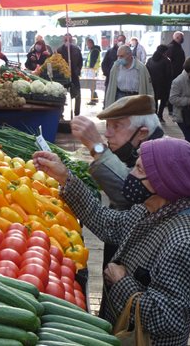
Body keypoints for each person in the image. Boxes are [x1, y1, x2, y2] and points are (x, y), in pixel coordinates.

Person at [33, 136, 190, 345]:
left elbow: (169, 320)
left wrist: (122, 283)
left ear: (163, 182)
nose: (131, 175)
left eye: (139, 170)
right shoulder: (150, 209)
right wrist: (65, 178)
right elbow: (107, 224)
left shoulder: (185, 242)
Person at [71, 95, 164, 282]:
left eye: (116, 126)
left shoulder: (159, 159)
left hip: (134, 282)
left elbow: (127, 192)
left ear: (142, 133)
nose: (107, 134)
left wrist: (96, 147)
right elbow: (109, 222)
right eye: (107, 126)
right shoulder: (132, 151)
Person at [57, 33, 83, 116]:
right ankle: (60, 112)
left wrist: (77, 70)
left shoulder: (76, 49)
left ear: (71, 40)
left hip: (74, 75)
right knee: (61, 94)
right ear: (63, 40)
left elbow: (80, 61)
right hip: (63, 76)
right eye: (66, 40)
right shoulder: (59, 50)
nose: (67, 41)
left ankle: (77, 112)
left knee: (77, 94)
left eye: (69, 40)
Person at [146, 44, 173, 122]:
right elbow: (169, 74)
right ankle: (160, 115)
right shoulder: (166, 61)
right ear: (164, 52)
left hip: (152, 83)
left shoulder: (150, 60)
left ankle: (154, 114)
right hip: (163, 84)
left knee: (154, 99)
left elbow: (146, 70)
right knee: (163, 100)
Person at [166, 31, 186, 116]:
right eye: (181, 37)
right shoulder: (172, 47)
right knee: (172, 91)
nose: (182, 39)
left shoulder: (177, 46)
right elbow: (168, 61)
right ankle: (171, 109)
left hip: (177, 73)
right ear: (177, 37)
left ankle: (173, 108)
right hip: (173, 74)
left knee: (175, 91)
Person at [101, 34, 126, 100]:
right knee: (108, 98)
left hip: (122, 81)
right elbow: (104, 64)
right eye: (119, 40)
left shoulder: (127, 53)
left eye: (123, 41)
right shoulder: (110, 51)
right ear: (117, 41)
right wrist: (109, 74)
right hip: (110, 79)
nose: (121, 42)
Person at [85, 38, 101, 105]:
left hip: (93, 70)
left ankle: (93, 99)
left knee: (92, 85)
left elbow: (92, 61)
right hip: (92, 70)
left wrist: (89, 68)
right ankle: (94, 98)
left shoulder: (94, 51)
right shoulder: (93, 50)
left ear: (91, 43)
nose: (87, 45)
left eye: (87, 44)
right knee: (92, 86)